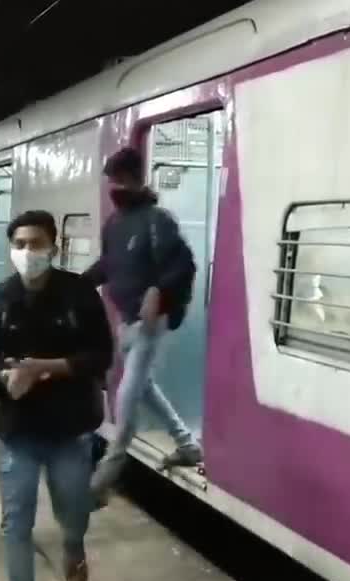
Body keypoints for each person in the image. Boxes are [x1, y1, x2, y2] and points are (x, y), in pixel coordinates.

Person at [0, 210, 114, 581]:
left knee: (72, 512)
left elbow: (101, 356)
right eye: (19, 243)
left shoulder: (79, 295)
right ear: (10, 248)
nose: (27, 252)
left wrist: (45, 369)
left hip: (69, 428)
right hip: (18, 430)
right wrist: (4, 377)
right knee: (15, 524)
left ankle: (73, 547)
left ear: (53, 247)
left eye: (36, 243)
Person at [83, 146, 201, 507]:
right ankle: (187, 444)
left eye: (119, 180)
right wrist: (77, 284)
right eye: (110, 181)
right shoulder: (114, 225)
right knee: (143, 387)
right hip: (127, 323)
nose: (114, 187)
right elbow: (108, 265)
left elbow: (185, 265)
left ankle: (102, 481)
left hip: (151, 323)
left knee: (126, 397)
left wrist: (159, 291)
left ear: (136, 179)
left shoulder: (157, 220)